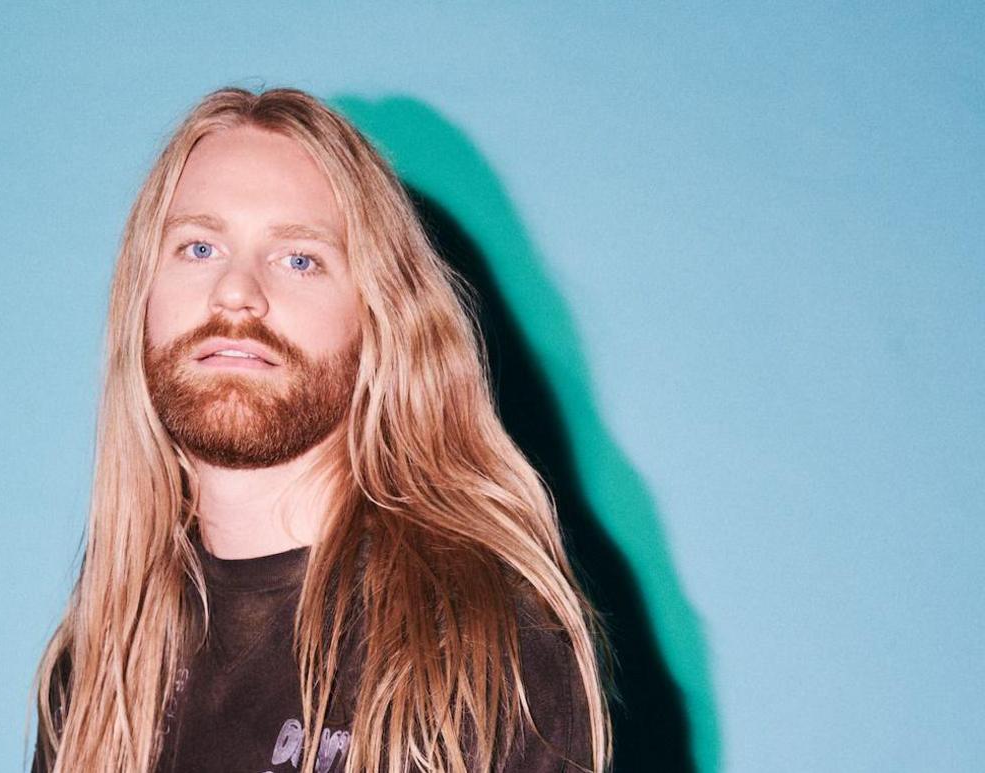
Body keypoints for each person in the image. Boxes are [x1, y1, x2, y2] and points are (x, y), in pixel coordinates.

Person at [31, 87, 611, 773]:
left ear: (376, 318)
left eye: (298, 258)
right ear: (142, 300)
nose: (236, 291)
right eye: (198, 247)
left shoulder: (479, 641)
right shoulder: (102, 660)